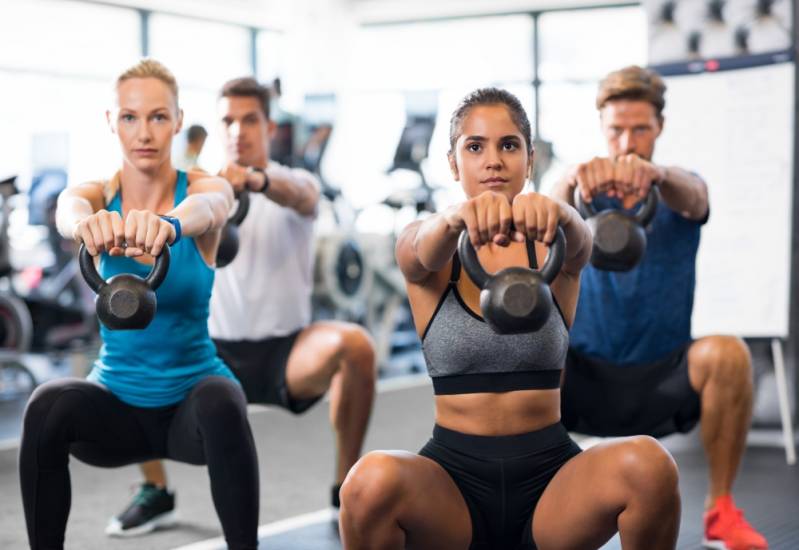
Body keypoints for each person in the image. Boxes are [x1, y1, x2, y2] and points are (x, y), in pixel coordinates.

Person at [339, 87, 681, 550]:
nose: (493, 160)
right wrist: (458, 218)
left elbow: (584, 244)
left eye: (509, 145)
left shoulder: (555, 244)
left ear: (529, 158)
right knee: (365, 482)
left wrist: (561, 211)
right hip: (452, 485)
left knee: (650, 463)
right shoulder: (430, 245)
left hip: (551, 481)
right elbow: (417, 250)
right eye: (475, 147)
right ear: (454, 164)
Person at [107, 76, 376, 537]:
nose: (237, 131)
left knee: (357, 346)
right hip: (211, 358)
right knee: (130, 339)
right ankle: (156, 492)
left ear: (270, 127)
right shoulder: (197, 192)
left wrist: (256, 179)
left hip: (286, 354)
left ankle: (344, 488)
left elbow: (301, 194)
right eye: (228, 120)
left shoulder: (295, 183)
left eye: (249, 119)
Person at [19, 59, 259, 550]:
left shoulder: (198, 188)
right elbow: (69, 204)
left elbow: (217, 206)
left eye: (157, 117)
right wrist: (86, 227)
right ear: (112, 121)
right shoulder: (98, 195)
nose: (143, 132)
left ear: (176, 120)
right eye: (129, 117)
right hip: (116, 410)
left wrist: (168, 225)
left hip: (190, 413)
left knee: (223, 400)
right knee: (45, 407)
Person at [550, 65, 767, 550]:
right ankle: (531, 503)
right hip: (582, 380)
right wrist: (568, 181)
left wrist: (657, 175)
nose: (627, 142)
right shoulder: (577, 193)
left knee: (728, 354)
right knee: (530, 349)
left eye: (640, 129)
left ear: (660, 128)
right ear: (602, 130)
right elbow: (547, 214)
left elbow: (696, 197)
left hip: (663, 380)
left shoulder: (679, 187)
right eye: (617, 130)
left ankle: (722, 514)